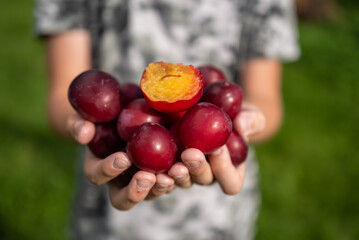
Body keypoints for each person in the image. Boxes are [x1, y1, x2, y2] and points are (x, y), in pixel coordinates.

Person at [34, 0, 300, 239]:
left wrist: (250, 121)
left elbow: (266, 99)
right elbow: (63, 96)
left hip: (216, 216)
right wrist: (80, 126)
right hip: (110, 196)